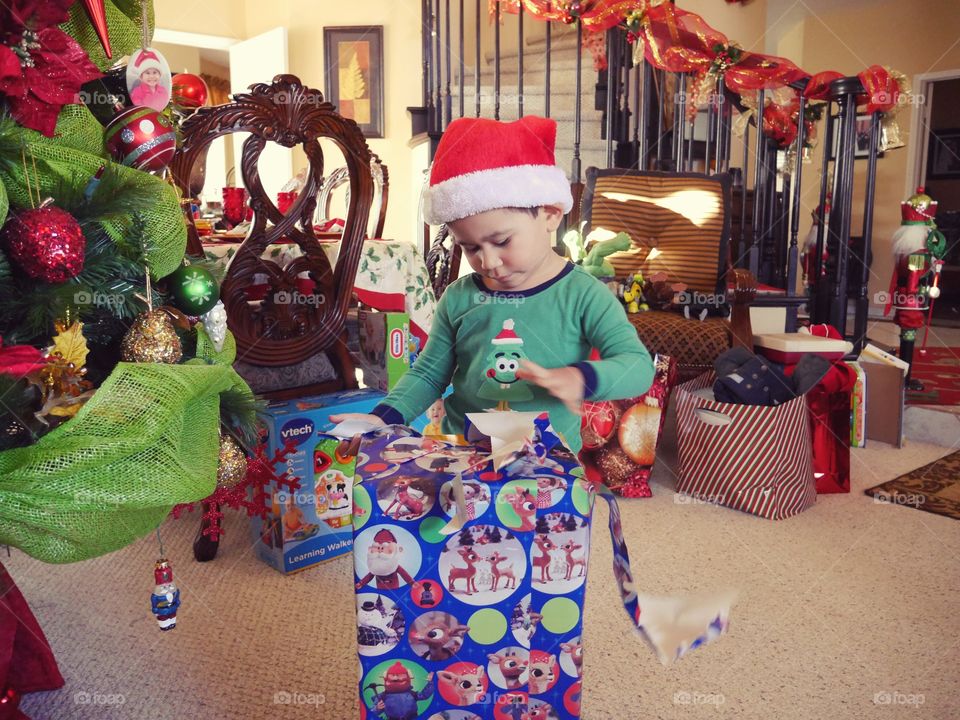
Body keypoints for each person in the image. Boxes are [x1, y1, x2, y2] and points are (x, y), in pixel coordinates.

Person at [332, 116, 654, 454]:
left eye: (501, 241)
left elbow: (637, 367)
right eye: (470, 247)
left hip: (546, 462)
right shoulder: (460, 297)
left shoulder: (585, 294)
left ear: (550, 215)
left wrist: (581, 378)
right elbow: (428, 374)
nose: (487, 261)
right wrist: (384, 417)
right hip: (462, 451)